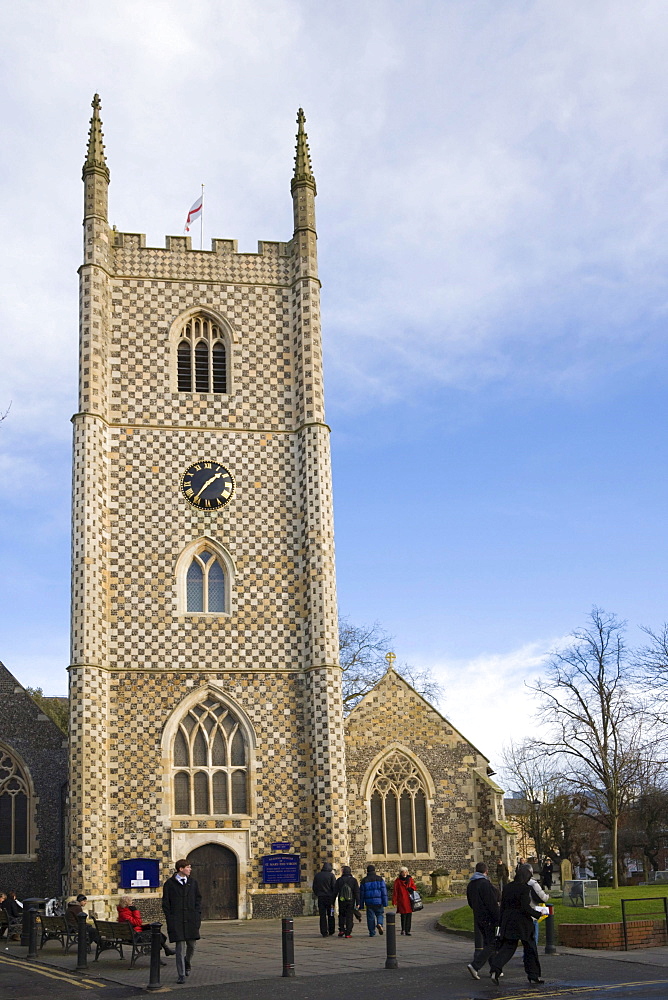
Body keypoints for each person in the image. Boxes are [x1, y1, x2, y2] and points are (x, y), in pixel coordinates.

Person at [489, 864, 545, 985]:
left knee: (508, 947)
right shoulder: (524, 889)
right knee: (530, 948)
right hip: (523, 922)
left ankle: (495, 969)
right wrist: (537, 914)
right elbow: (524, 907)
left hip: (508, 920)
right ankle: (533, 975)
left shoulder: (508, 887)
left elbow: (503, 906)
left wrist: (501, 922)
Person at [162, 860, 202, 984]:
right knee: (179, 948)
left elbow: (198, 900)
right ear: (180, 869)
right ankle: (181, 974)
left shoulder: (193, 883)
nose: (190, 869)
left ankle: (187, 962)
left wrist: (197, 915)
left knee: (192, 945)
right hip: (177, 921)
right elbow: (166, 904)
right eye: (188, 867)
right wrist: (170, 918)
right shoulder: (169, 884)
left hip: (191, 920)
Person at [465, 862, 501, 980]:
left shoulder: (471, 884)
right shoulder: (485, 884)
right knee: (492, 943)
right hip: (488, 917)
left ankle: (494, 969)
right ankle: (475, 965)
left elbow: (470, 901)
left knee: (487, 942)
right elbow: (491, 903)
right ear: (486, 871)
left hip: (478, 916)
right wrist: (498, 917)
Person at [117, 895, 175, 961]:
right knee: (155, 936)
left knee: (153, 929)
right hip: (135, 937)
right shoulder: (125, 914)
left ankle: (165, 949)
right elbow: (138, 922)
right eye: (131, 902)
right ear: (127, 904)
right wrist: (135, 911)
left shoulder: (123, 912)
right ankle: (163, 952)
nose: (133, 903)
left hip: (133, 934)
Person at [359, 864, 387, 937]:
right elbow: (384, 892)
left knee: (370, 917)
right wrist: (385, 902)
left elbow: (361, 894)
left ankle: (372, 932)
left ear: (367, 871)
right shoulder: (380, 879)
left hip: (369, 902)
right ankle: (380, 923)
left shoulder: (364, 880)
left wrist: (361, 905)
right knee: (380, 914)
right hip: (379, 901)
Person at [334, 865, 359, 938]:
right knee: (349, 916)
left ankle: (341, 929)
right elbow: (356, 892)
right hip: (350, 901)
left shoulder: (339, 880)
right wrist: (358, 903)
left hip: (342, 901)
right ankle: (348, 932)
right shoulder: (353, 880)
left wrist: (332, 902)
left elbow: (335, 892)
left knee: (341, 915)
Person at [312, 862, 337, 938]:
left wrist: (318, 894)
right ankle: (331, 930)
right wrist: (334, 896)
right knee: (331, 914)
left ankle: (324, 932)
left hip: (321, 898)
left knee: (322, 915)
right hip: (330, 898)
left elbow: (314, 887)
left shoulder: (317, 876)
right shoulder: (331, 876)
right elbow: (334, 887)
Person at [392, 866, 417, 936]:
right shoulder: (397, 881)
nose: (405, 873)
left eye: (406, 871)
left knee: (409, 915)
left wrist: (411, 889)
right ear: (401, 873)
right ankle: (403, 929)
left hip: (409, 900)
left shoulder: (410, 879)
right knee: (403, 915)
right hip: (401, 900)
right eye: (403, 872)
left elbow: (414, 886)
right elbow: (395, 891)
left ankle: (407, 930)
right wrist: (394, 900)